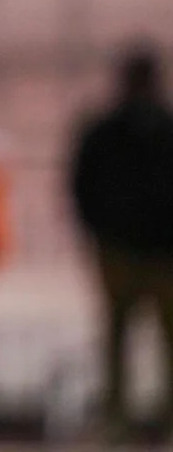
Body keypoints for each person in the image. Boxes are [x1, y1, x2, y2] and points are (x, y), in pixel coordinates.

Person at [71, 47, 173, 443]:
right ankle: (156, 419)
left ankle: (120, 417)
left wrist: (99, 232)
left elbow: (82, 189)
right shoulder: (161, 128)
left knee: (118, 339)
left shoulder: (103, 130)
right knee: (148, 338)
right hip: (159, 252)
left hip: (122, 250)